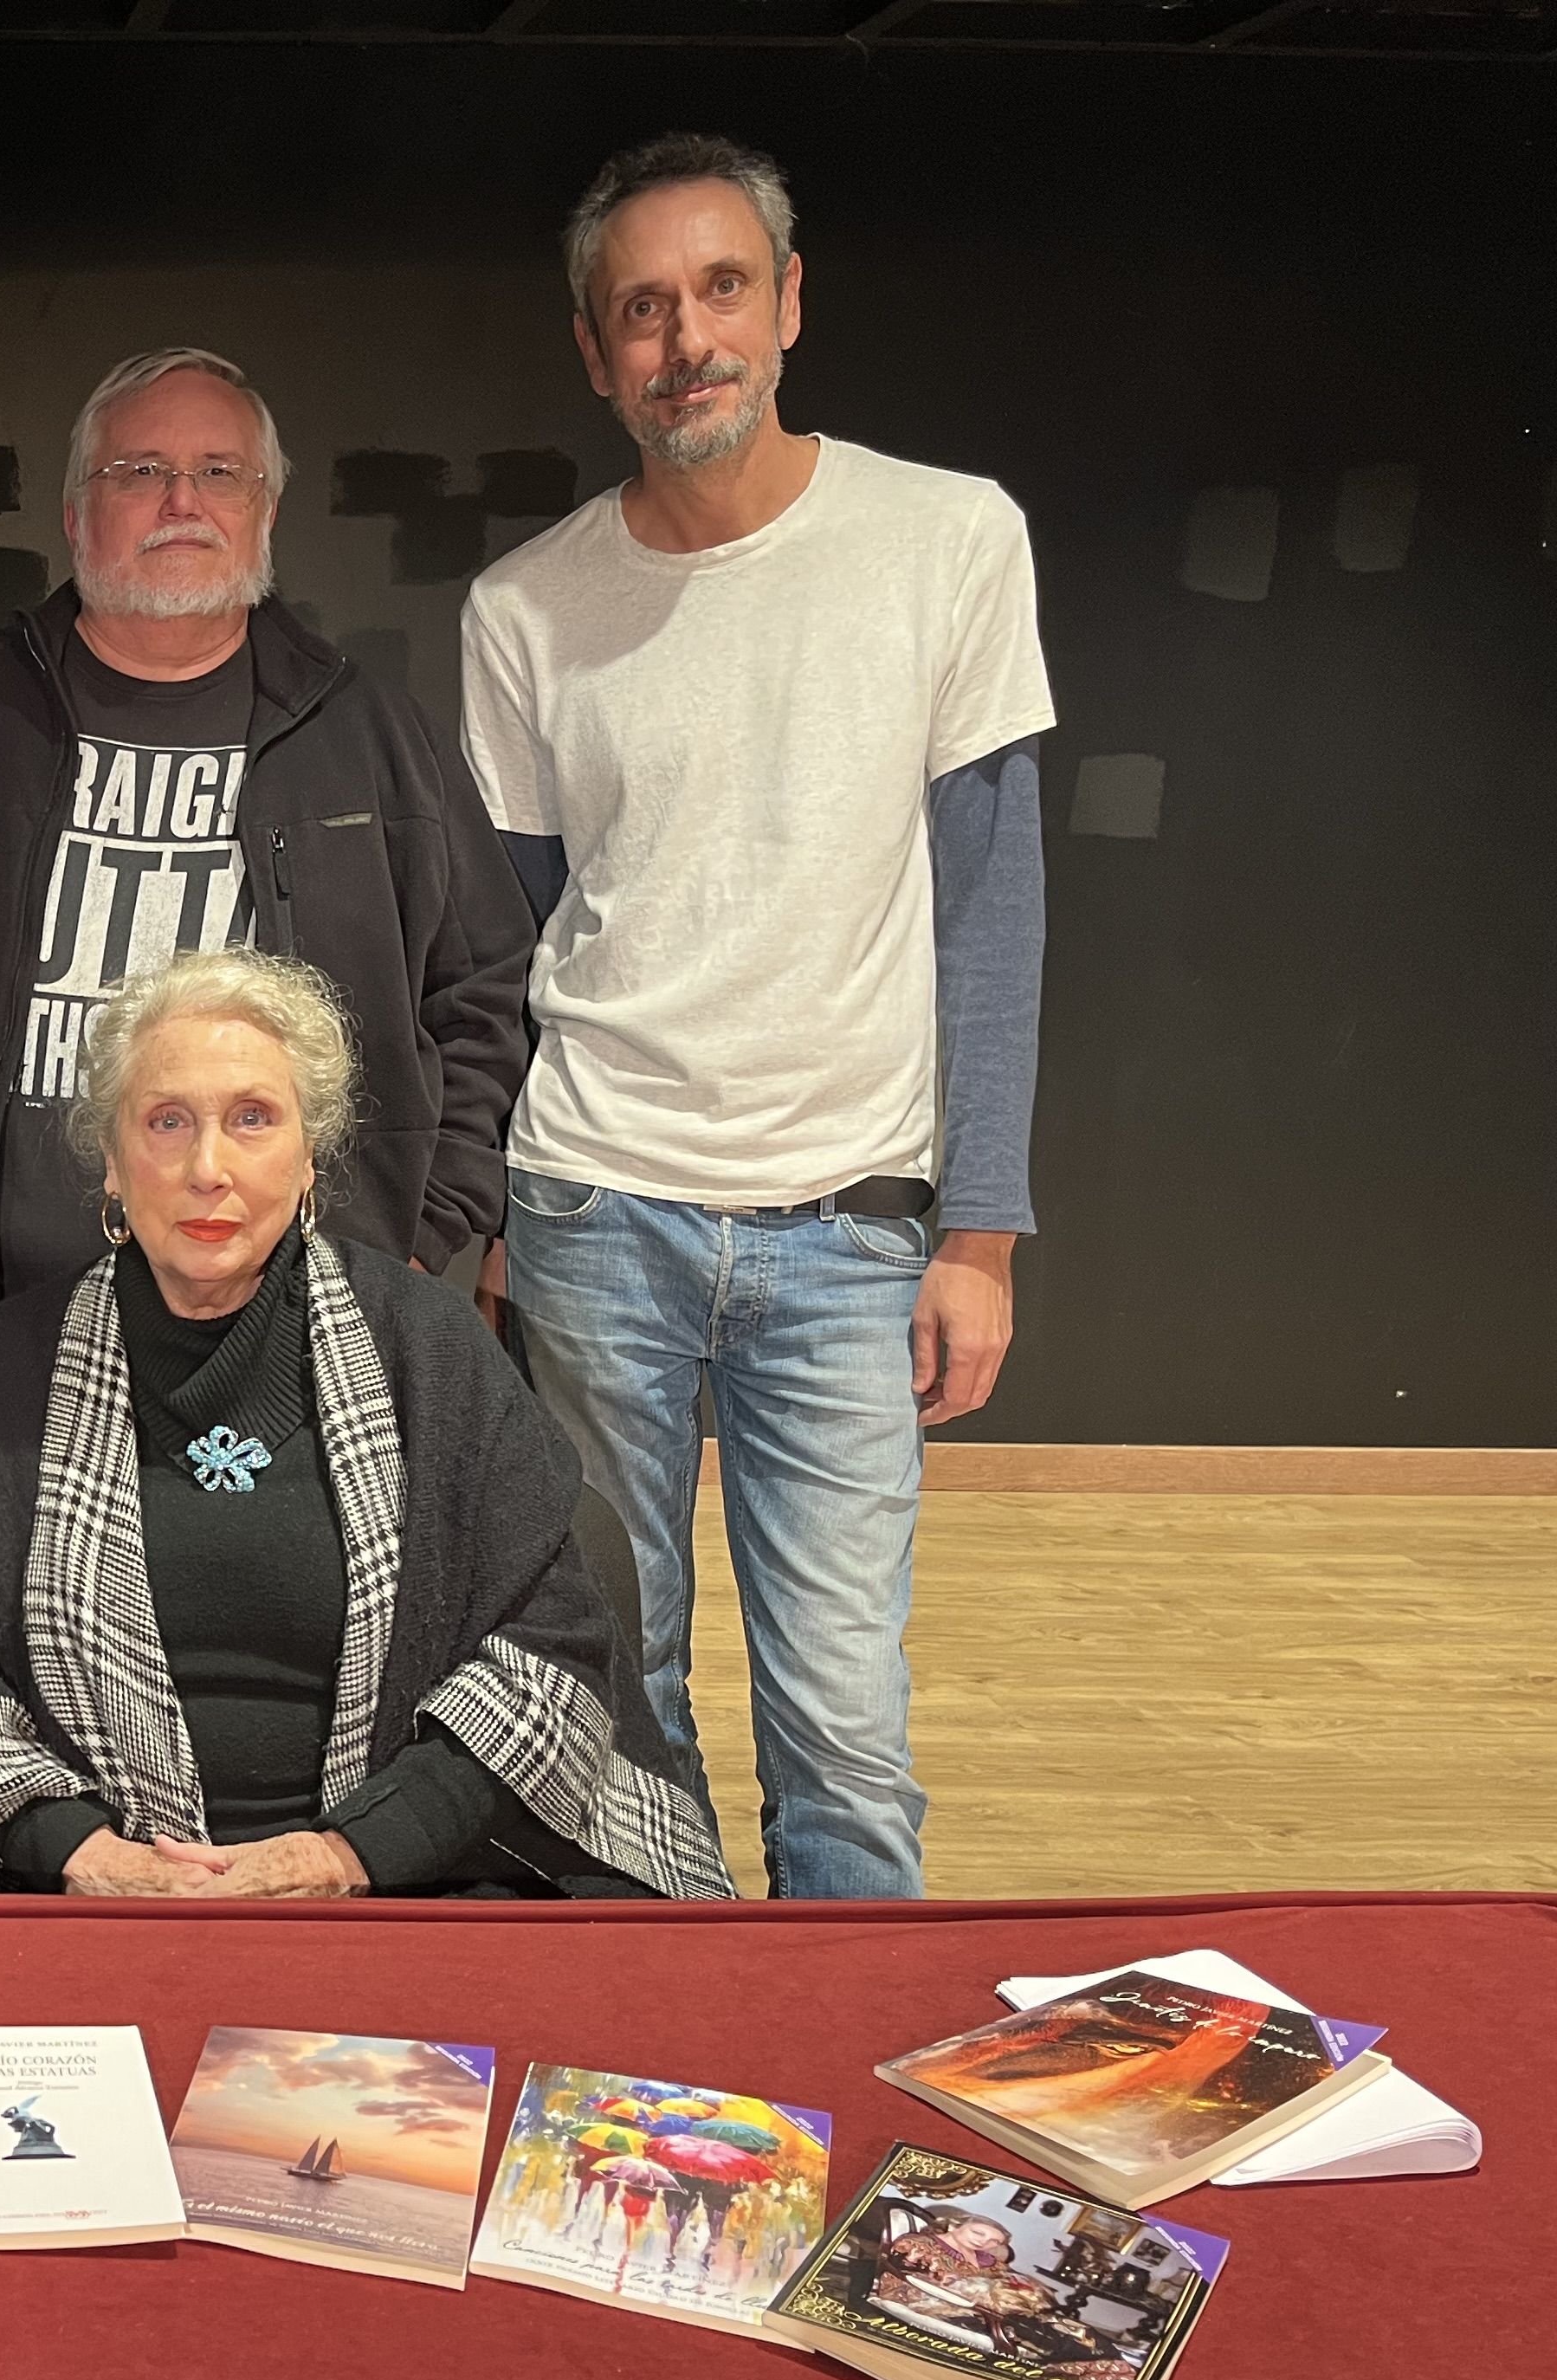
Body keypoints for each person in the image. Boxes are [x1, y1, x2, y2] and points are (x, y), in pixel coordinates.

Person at [458, 133, 1056, 1899]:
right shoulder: (524, 608)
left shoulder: (946, 540)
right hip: (592, 1208)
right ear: (595, 351)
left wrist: (981, 1233)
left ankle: (839, 2048)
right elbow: (502, 946)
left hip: (848, 1226)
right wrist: (492, 1217)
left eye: (721, 288)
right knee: (611, 1697)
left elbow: (992, 907)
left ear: (790, 303)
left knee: (844, 1733)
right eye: (642, 308)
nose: (687, 338)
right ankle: (656, 2039)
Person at [0, 948, 733, 1901]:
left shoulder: (428, 1350)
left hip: (411, 1883)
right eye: (167, 1121)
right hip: (87, 1897)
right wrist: (87, 1855)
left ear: (310, 1157)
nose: (208, 1169)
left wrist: (348, 1856)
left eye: (253, 1119)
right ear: (112, 1161)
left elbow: (554, 1638)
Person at [0, 346, 533, 1324]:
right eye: (140, 470)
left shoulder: (366, 736)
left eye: (220, 473)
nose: (181, 501)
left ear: (267, 512)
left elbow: (482, 992)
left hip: (284, 1322)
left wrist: (421, 1230)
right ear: (76, 514)